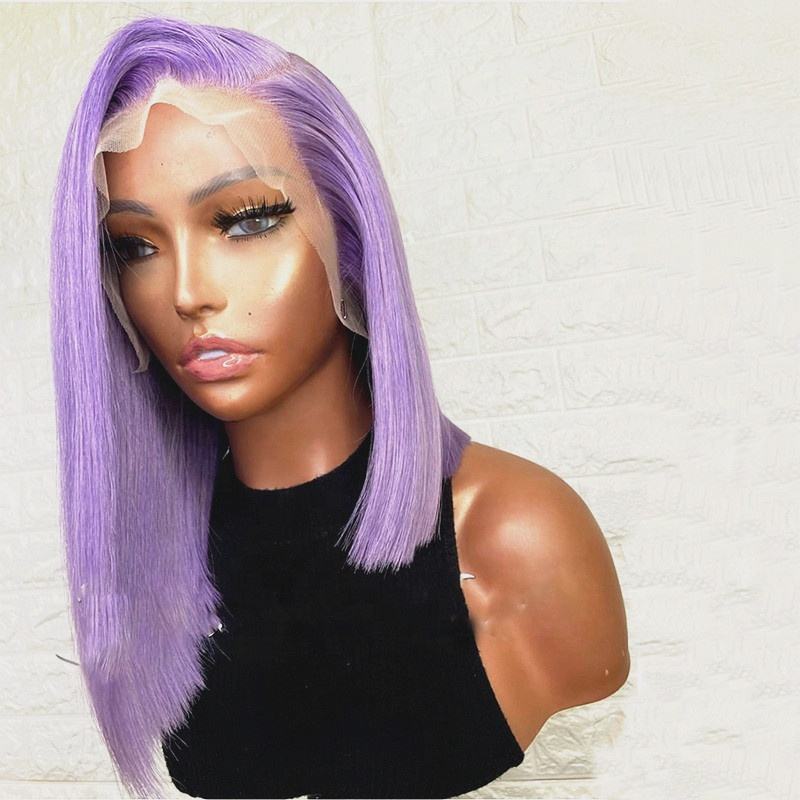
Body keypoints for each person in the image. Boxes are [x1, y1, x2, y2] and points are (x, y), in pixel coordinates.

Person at [49, 15, 629, 800]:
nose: (187, 293)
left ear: (351, 236)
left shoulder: (516, 534)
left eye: (246, 220)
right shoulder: (163, 565)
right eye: (136, 246)